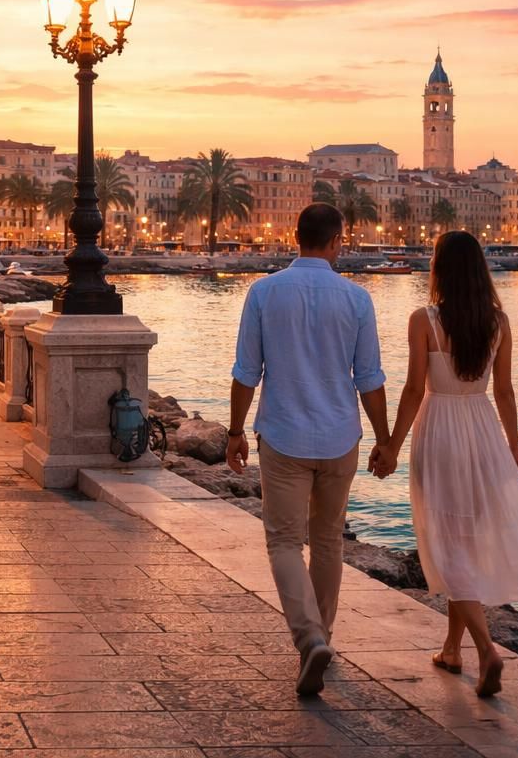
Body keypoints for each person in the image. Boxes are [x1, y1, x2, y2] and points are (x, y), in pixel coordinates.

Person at [371, 230, 518, 698]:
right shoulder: (498, 322)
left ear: (439, 270)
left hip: (439, 430)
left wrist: (393, 445)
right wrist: (514, 448)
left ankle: (486, 651)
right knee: (464, 544)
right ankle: (451, 649)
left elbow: (413, 390)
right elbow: (504, 392)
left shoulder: (424, 319)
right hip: (483, 431)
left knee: (449, 547)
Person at [227, 203, 390, 696]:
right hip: (340, 435)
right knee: (328, 540)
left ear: (294, 237)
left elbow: (245, 372)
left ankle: (309, 637)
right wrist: (384, 439)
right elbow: (370, 379)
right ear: (337, 241)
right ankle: (324, 635)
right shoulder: (357, 299)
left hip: (283, 435)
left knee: (282, 541)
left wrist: (234, 430)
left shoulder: (264, 292)